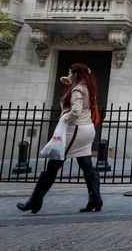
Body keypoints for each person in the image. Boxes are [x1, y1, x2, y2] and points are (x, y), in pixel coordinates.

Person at [17, 63, 102, 214]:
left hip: (74, 130)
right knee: (87, 165)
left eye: (70, 73)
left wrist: (65, 117)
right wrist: (70, 82)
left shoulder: (77, 89)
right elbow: (82, 97)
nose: (68, 76)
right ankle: (95, 198)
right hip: (87, 129)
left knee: (53, 165)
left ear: (75, 74)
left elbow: (75, 110)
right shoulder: (87, 85)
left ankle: (35, 201)